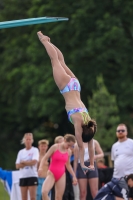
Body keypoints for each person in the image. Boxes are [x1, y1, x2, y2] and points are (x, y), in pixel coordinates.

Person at [37, 31, 97, 172]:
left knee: (61, 61)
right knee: (54, 61)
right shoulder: (78, 124)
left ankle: (49, 42)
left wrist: (92, 163)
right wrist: (83, 165)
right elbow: (82, 146)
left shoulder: (89, 122)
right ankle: (44, 41)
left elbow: (91, 145)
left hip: (76, 85)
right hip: (66, 88)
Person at [38, 134, 77, 200]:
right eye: (68, 145)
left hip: (61, 174)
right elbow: (45, 158)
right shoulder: (55, 147)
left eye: (71, 146)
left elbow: (68, 165)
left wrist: (74, 176)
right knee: (44, 192)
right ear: (64, 141)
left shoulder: (69, 151)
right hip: (52, 173)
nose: (69, 147)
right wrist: (40, 168)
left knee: (59, 197)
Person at [15, 133, 39, 200]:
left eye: (29, 139)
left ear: (32, 140)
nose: (28, 141)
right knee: (24, 198)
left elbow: (34, 162)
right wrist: (28, 162)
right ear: (24, 140)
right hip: (23, 176)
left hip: (32, 175)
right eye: (27, 139)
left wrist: (24, 162)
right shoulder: (21, 152)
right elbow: (17, 165)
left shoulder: (35, 150)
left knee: (32, 197)